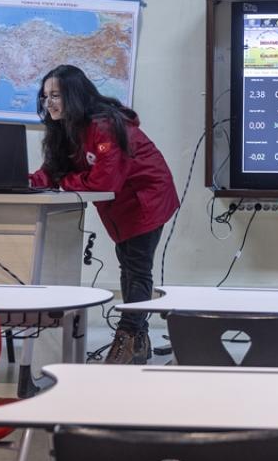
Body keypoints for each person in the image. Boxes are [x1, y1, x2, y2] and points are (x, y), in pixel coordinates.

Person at [29, 65, 179, 364]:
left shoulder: (105, 126)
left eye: (56, 95)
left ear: (74, 95)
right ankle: (139, 343)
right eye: (45, 96)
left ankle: (128, 338)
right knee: (129, 266)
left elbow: (104, 181)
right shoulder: (65, 128)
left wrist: (63, 181)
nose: (49, 103)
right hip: (119, 205)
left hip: (145, 198)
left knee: (137, 269)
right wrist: (22, 181)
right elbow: (52, 172)